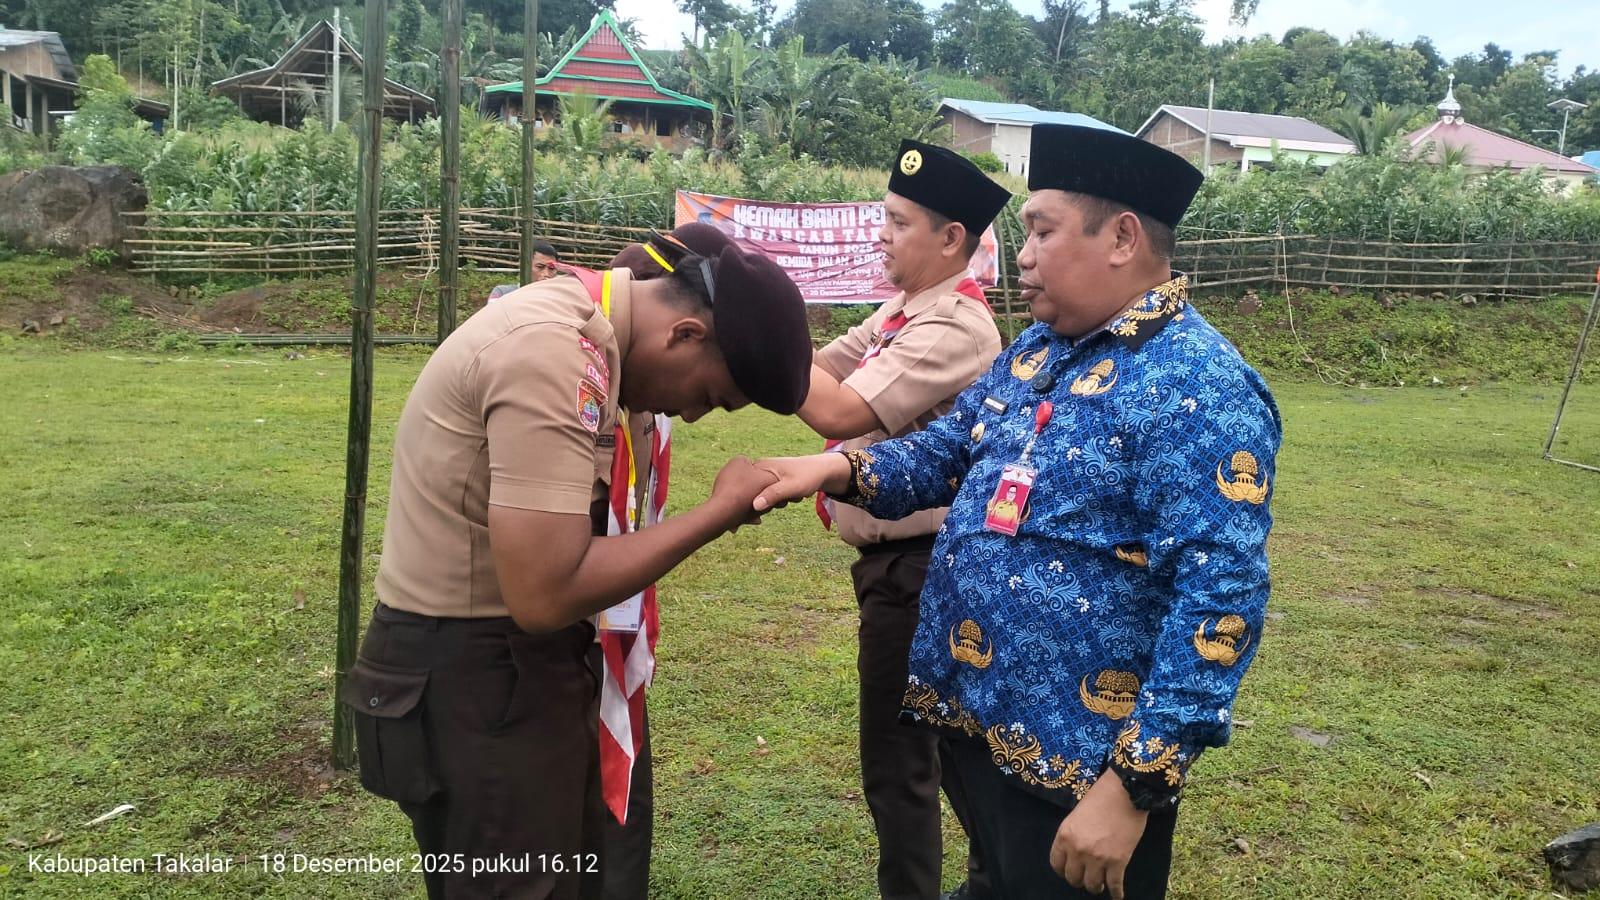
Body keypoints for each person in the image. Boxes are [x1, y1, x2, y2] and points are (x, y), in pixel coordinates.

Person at [753, 123, 1282, 900]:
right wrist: (830, 468)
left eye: (1041, 231)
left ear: (1123, 238)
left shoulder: (1201, 387)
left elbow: (1220, 602)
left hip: (1081, 765)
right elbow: (946, 455)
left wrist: (1130, 788)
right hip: (976, 723)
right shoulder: (1036, 350)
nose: (1022, 255)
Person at [340, 239, 812, 900]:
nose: (694, 413)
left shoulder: (590, 340)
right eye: (711, 394)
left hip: (519, 668)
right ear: (685, 333)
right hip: (473, 676)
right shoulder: (553, 351)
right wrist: (722, 511)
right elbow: (543, 590)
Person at [796, 139, 1009, 900]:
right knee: (941, 754)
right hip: (898, 567)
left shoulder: (953, 327)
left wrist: (751, 344)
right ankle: (994, 877)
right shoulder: (902, 310)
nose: (878, 234)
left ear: (950, 238)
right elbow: (821, 363)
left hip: (920, 569)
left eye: (895, 221)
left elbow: (838, 403)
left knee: (901, 763)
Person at [594, 221, 738, 900]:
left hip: (615, 653)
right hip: (566, 656)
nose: (691, 412)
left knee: (619, 822)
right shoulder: (583, 387)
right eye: (705, 396)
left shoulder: (641, 406)